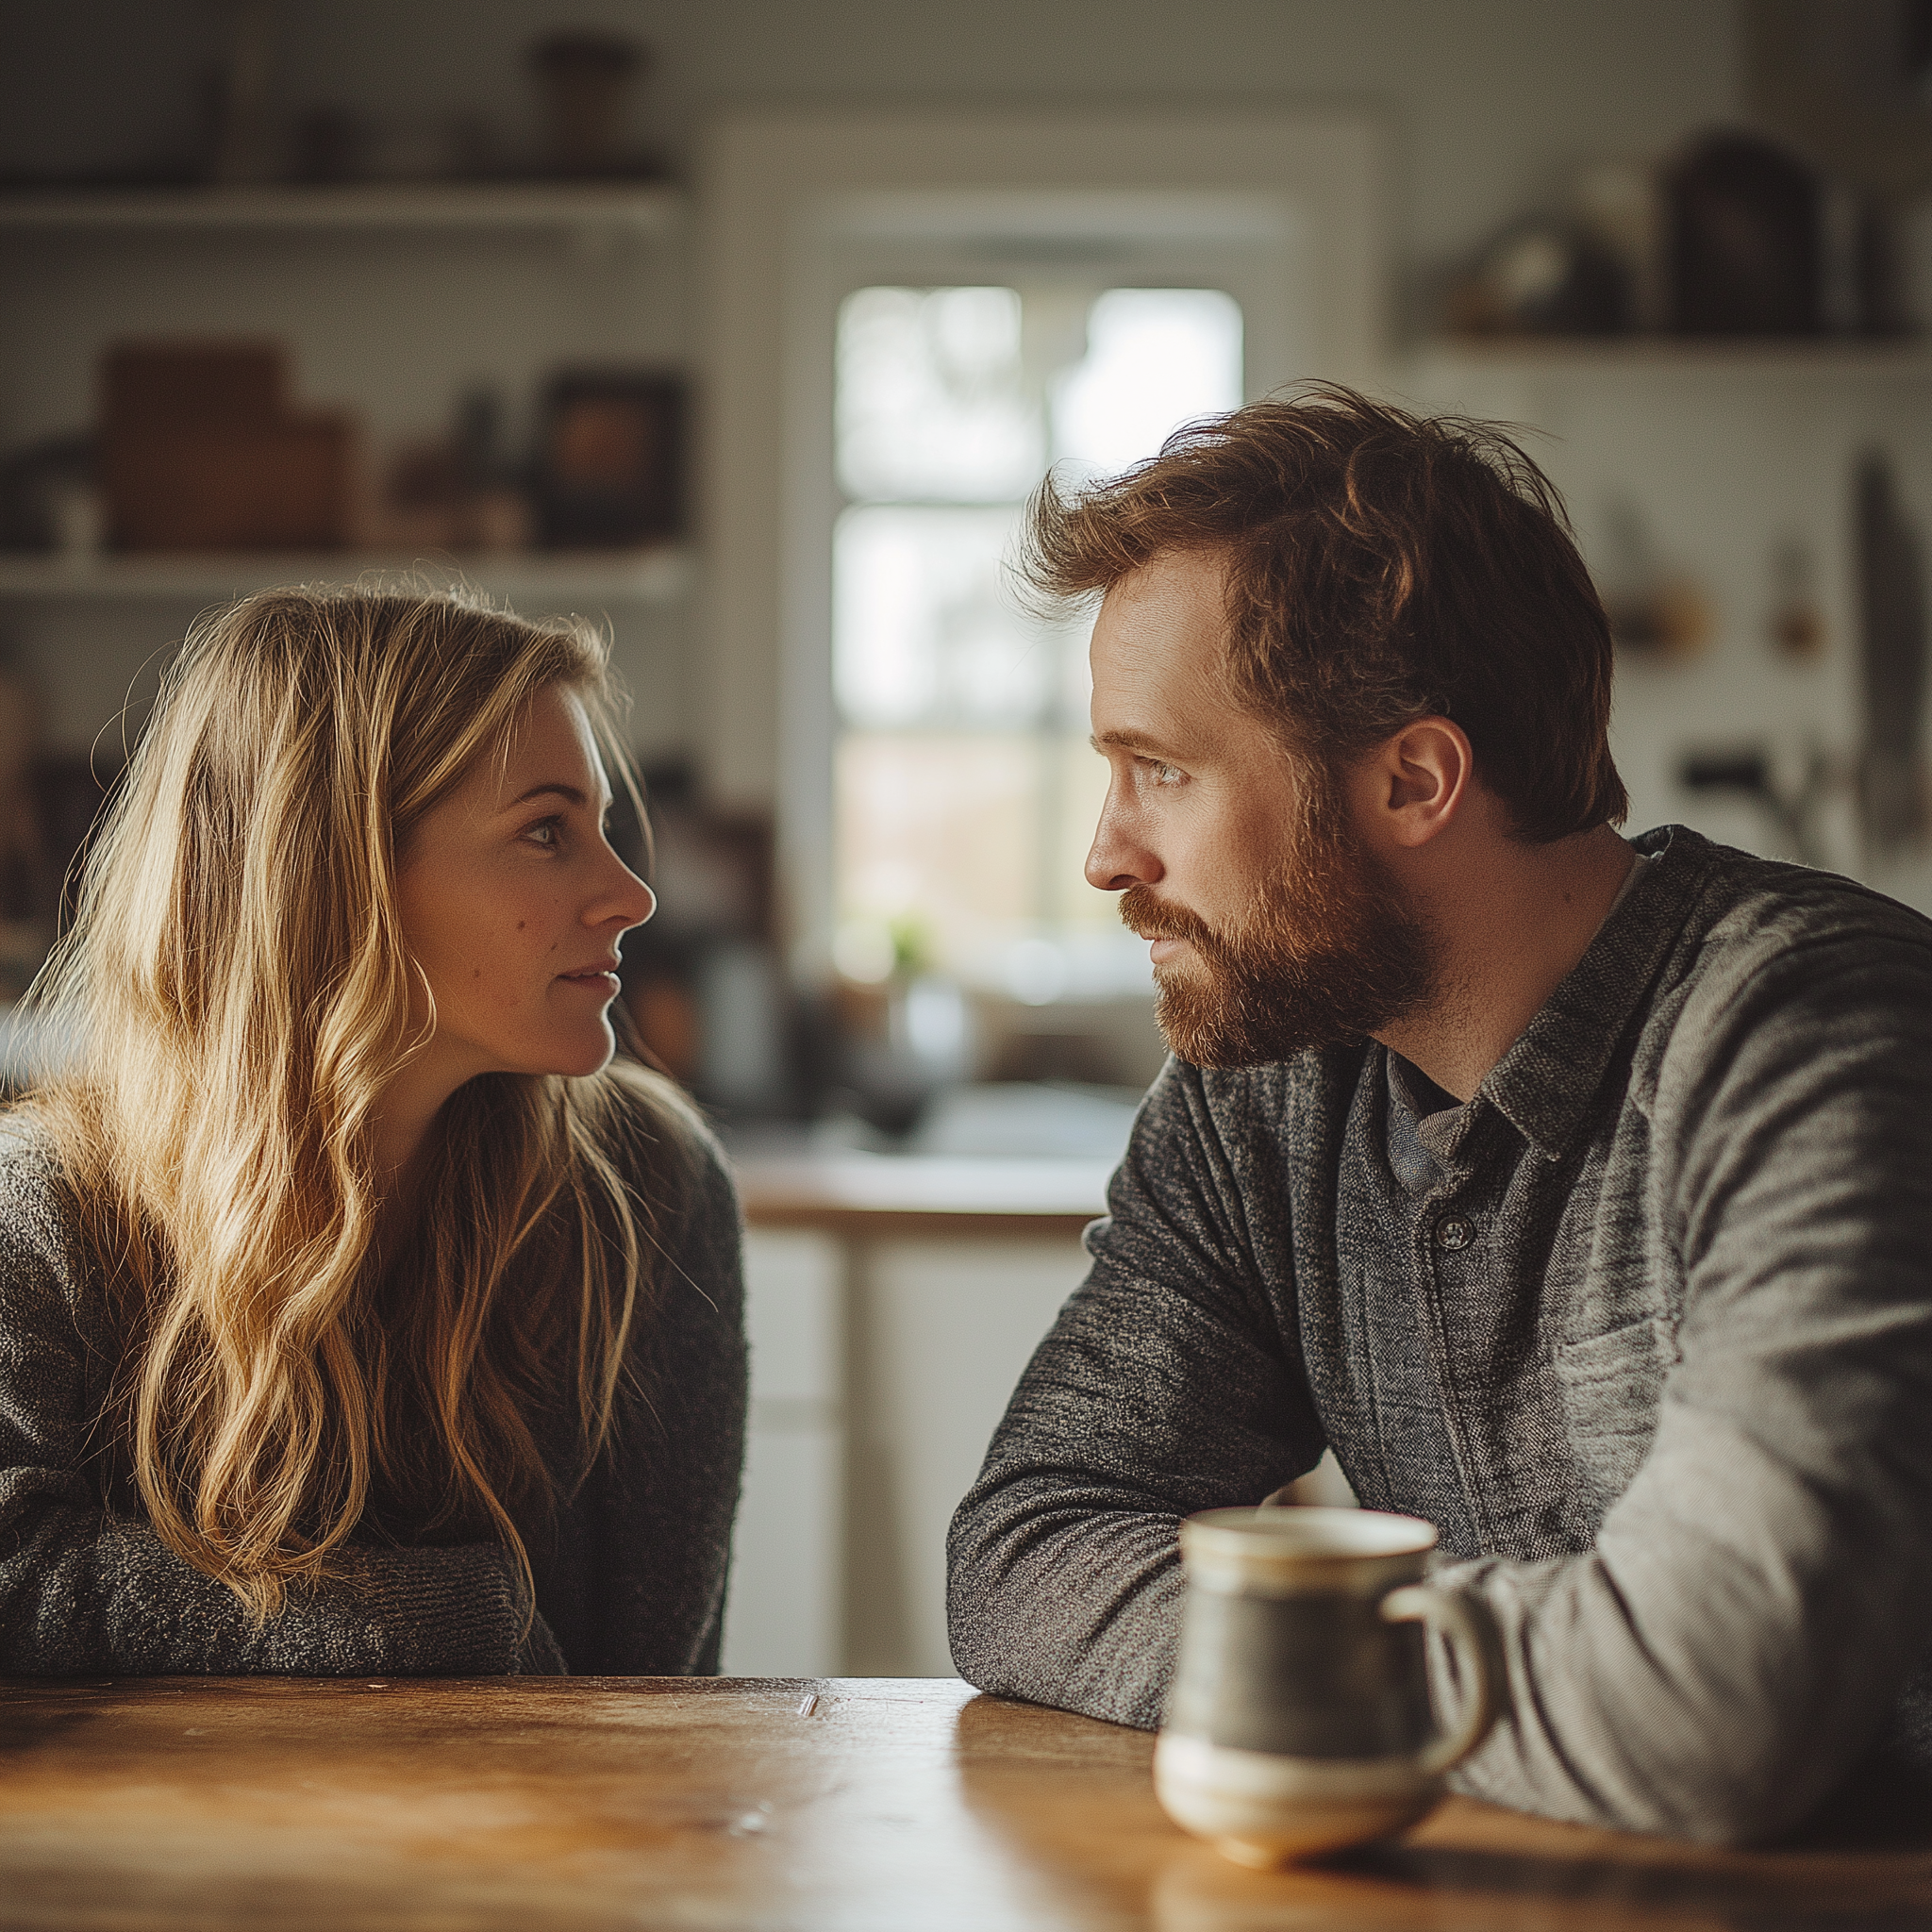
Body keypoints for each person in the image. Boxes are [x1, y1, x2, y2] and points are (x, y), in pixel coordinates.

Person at [946, 386, 1932, 1845]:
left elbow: (1718, 1702)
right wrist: (1509, 1667)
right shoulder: (1266, 1092)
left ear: (1414, 778)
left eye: (1161, 769)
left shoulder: (1815, 1039)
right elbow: (1026, 1550)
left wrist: (1306, 1644)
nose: (1105, 854)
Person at [0, 586, 745, 1676]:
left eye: (598, 827)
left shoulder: (644, 1183)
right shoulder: (45, 1217)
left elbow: (656, 1690)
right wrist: (432, 1615)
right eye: (545, 831)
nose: (629, 893)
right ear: (331, 869)